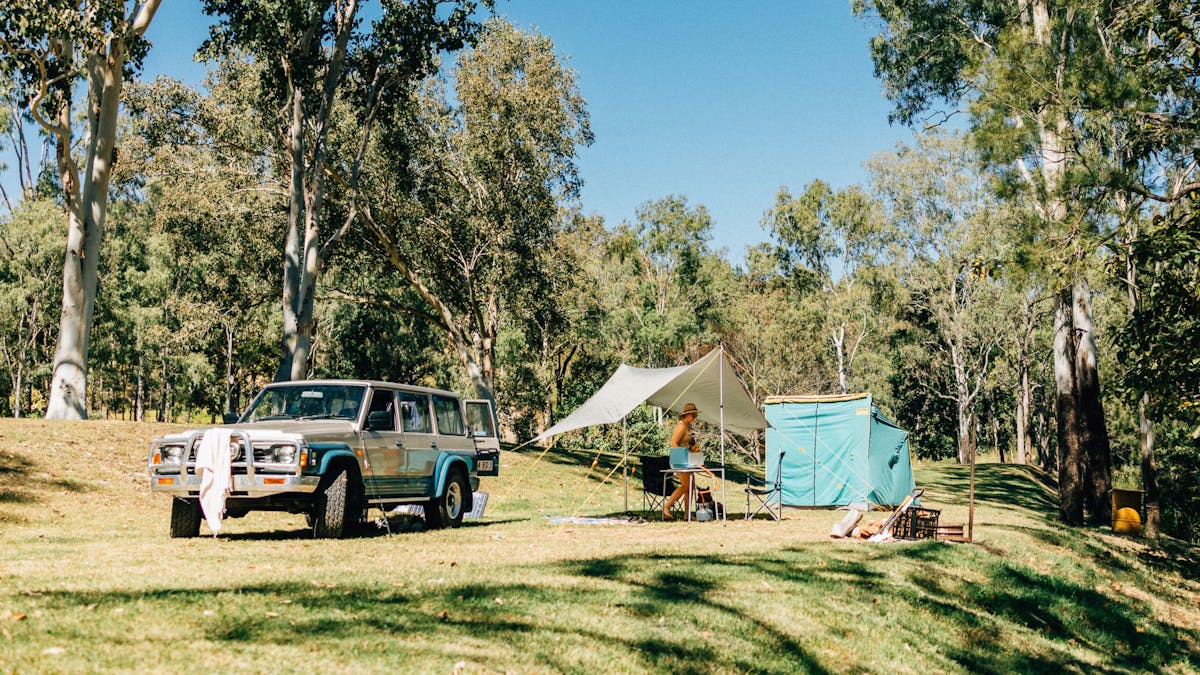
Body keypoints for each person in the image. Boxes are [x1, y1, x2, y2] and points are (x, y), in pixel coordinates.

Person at [662, 402, 701, 520]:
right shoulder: (681, 426)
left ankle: (687, 514)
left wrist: (693, 449)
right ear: (687, 415)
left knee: (691, 486)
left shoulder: (686, 426)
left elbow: (684, 443)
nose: (695, 417)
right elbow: (674, 443)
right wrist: (681, 458)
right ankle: (666, 507)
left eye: (695, 415)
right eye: (693, 415)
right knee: (685, 486)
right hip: (680, 460)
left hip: (686, 459)